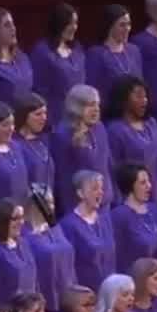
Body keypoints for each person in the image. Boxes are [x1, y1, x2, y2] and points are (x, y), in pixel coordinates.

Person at [53, 85, 114, 216]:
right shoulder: (63, 135)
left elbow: (108, 164)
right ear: (76, 108)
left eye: (97, 104)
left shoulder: (100, 128)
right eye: (90, 105)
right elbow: (62, 178)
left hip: (104, 204)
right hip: (80, 207)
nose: (96, 109)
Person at [58, 171, 116, 293]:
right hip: (86, 296)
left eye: (101, 188)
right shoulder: (68, 225)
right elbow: (68, 266)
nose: (101, 192)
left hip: (110, 294)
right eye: (95, 189)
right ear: (80, 193)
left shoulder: (105, 220)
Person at [30, 4, 85, 122]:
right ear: (59, 24)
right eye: (70, 23)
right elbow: (38, 90)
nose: (74, 27)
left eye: (76, 23)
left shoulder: (77, 49)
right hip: (55, 118)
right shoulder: (42, 51)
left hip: (79, 117)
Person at [110, 164, 157, 274]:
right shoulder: (119, 216)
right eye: (143, 183)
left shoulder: (154, 210)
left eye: (149, 181)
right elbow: (118, 257)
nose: (149, 186)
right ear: (130, 186)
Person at [0, 199, 36, 309]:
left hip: (28, 311)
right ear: (2, 221)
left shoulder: (23, 242)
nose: (21, 222)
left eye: (22, 217)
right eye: (15, 218)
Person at [11, 92, 54, 189]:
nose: (44, 118)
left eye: (45, 113)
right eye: (38, 114)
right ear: (24, 116)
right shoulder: (15, 145)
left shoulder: (44, 141)